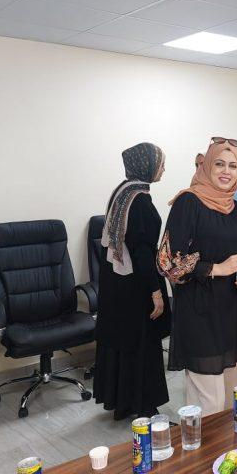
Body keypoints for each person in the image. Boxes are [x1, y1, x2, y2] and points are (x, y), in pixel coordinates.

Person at [159, 138, 237, 415]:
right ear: (207, 166)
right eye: (219, 164)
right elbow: (167, 261)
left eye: (233, 166)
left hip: (231, 311)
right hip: (199, 311)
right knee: (210, 404)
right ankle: (201, 443)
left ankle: (228, 445)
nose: (226, 171)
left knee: (234, 398)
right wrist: (215, 268)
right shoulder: (188, 202)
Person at [93, 143, 172, 420]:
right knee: (142, 343)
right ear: (146, 165)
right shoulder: (139, 200)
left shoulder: (123, 191)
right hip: (137, 284)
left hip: (117, 283)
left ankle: (123, 402)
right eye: (160, 163)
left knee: (123, 342)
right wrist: (156, 292)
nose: (163, 168)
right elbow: (141, 251)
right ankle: (143, 404)